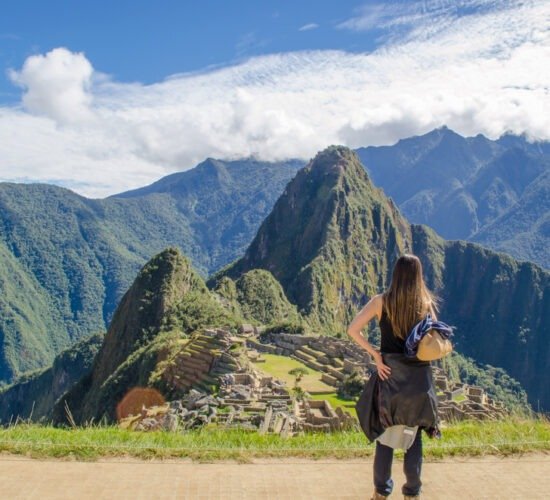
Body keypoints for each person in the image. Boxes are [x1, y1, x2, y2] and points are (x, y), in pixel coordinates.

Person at [346, 254, 439, 500]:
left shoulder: (381, 302)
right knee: (413, 438)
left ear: (395, 274)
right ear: (418, 276)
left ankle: (381, 492)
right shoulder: (425, 303)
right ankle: (412, 493)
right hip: (417, 380)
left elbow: (352, 329)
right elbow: (435, 340)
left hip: (390, 378)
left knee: (385, 438)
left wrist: (376, 356)